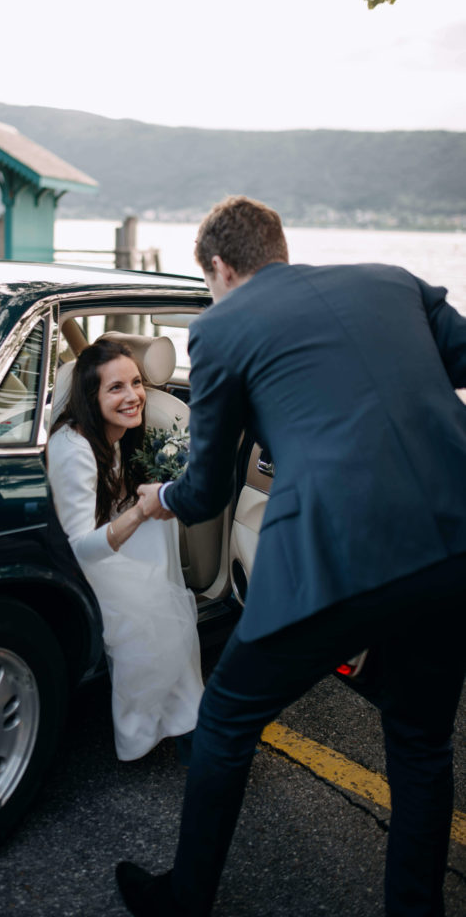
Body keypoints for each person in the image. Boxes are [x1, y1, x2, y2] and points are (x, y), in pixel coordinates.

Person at [117, 195, 466, 916]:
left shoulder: (220, 328)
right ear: (277, 245)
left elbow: (208, 488)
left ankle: (183, 901)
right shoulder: (391, 280)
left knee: (226, 720)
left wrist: (157, 499)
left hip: (337, 556)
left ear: (218, 266)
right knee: (420, 745)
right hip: (454, 540)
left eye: (208, 281)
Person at [48, 339, 203, 762]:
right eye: (115, 388)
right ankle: (167, 726)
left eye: (136, 383)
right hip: (75, 566)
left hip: (101, 547)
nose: (133, 396)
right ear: (91, 395)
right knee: (159, 610)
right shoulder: (74, 447)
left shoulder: (116, 435)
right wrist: (140, 512)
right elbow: (80, 547)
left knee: (160, 552)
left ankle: (187, 718)